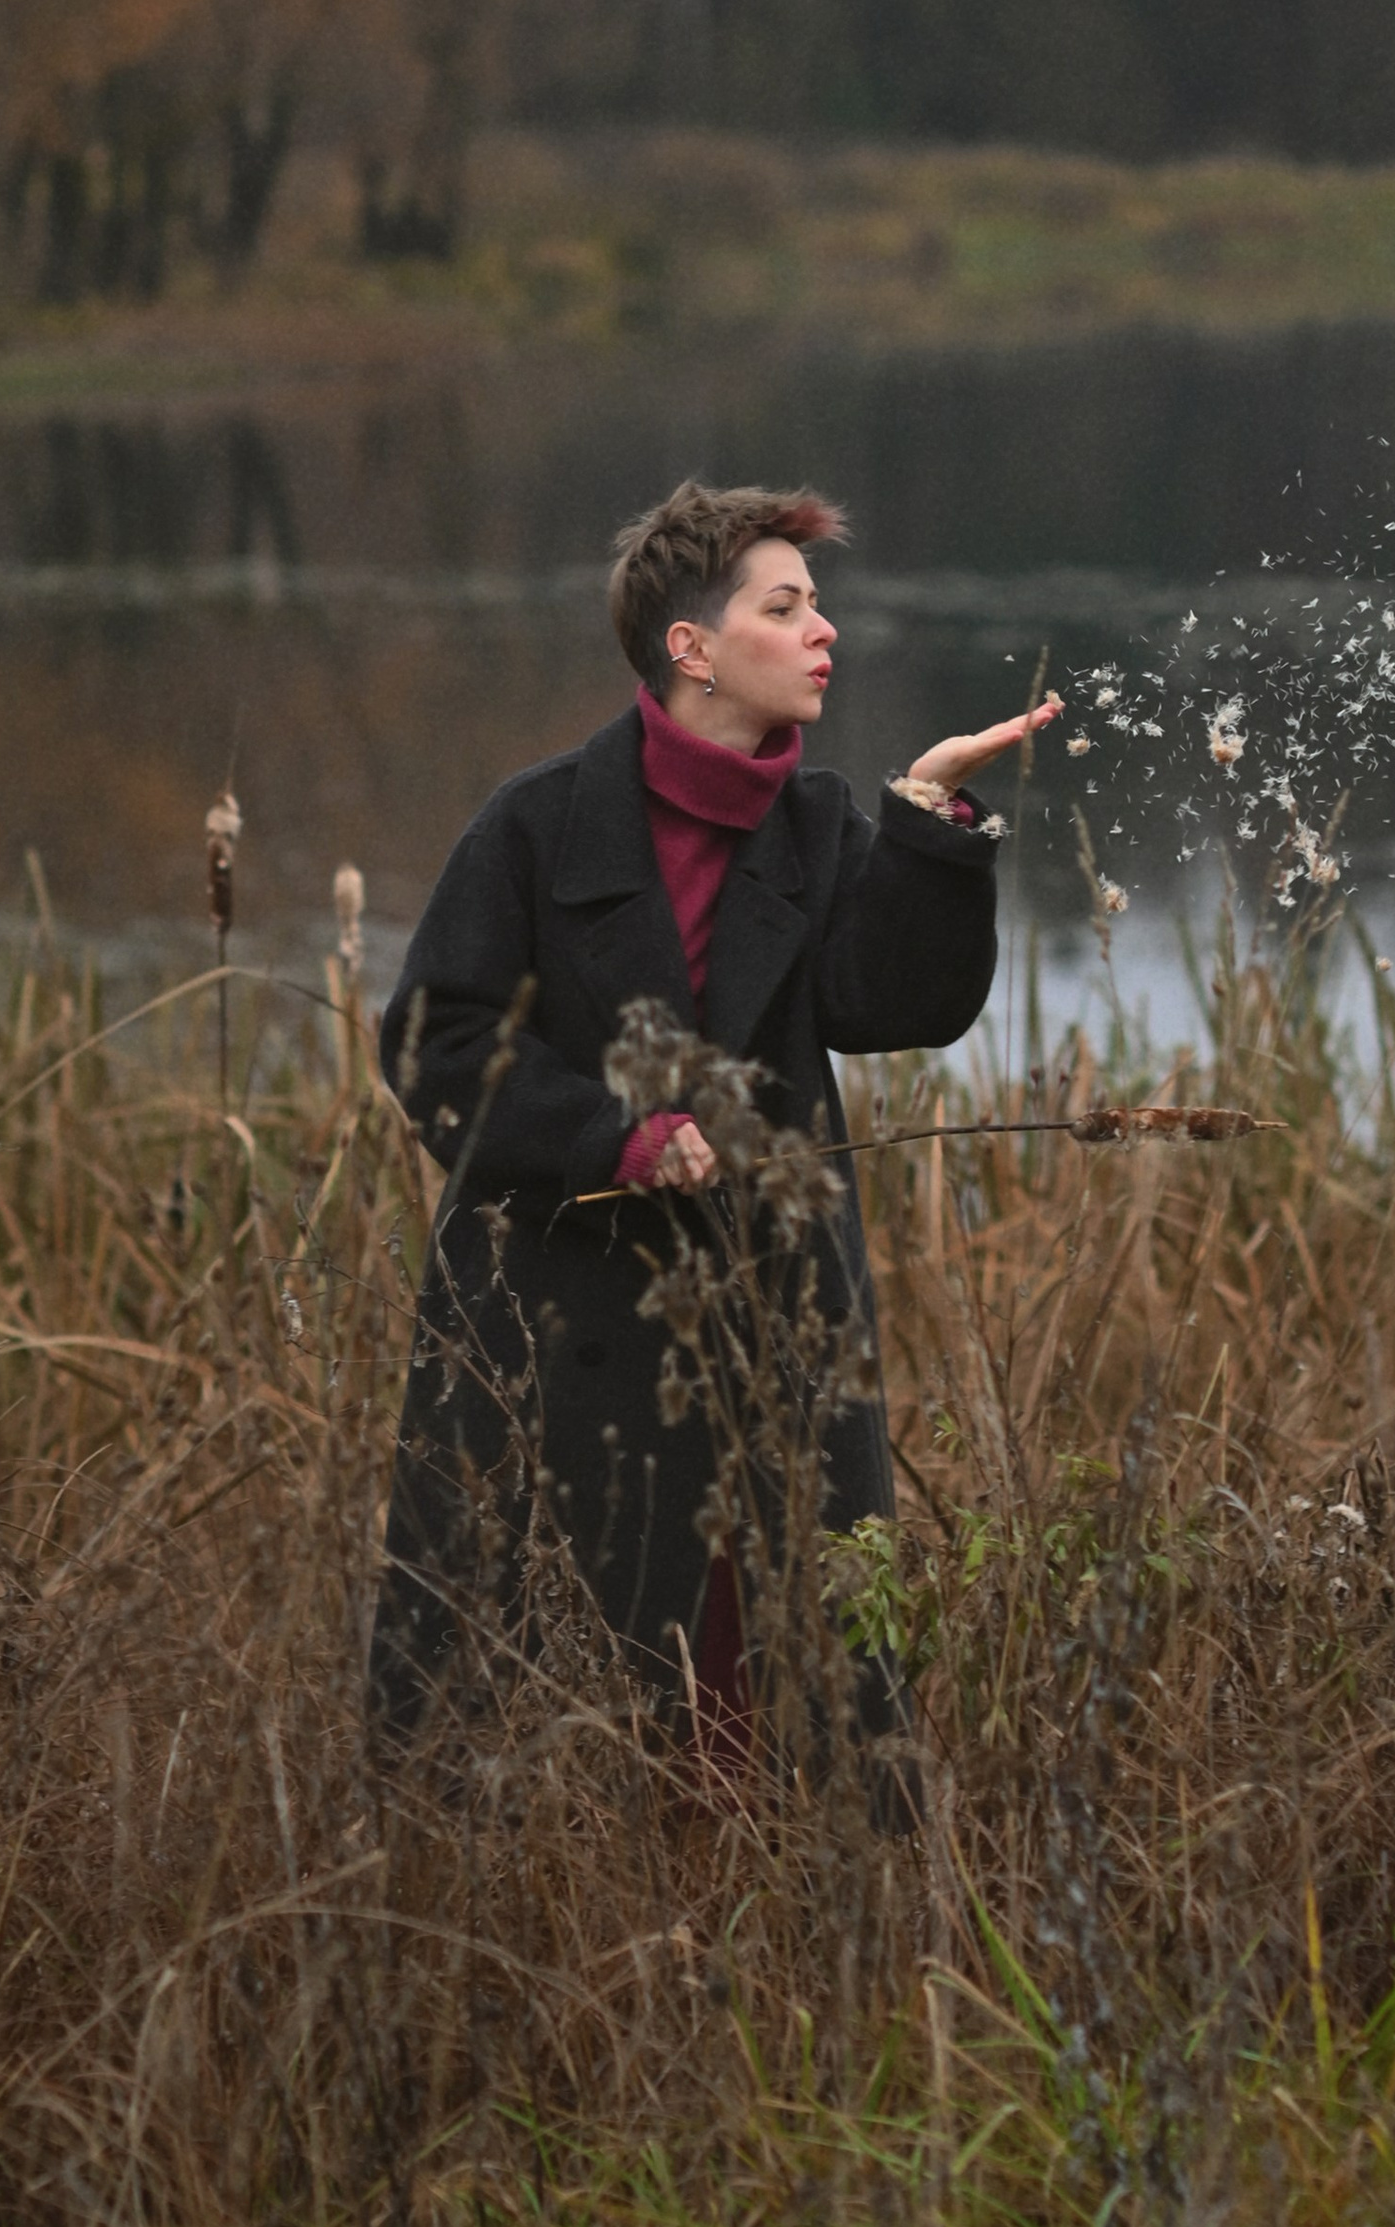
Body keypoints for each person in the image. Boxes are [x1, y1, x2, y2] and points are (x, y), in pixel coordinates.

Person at [369, 477, 1059, 1757]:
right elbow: (433, 1042)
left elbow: (891, 1002)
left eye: (818, 605)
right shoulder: (535, 825)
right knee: (531, 1700)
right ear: (690, 647)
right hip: (550, 1327)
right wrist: (607, 1136)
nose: (823, 631)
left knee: (782, 1699)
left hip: (768, 1326)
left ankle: (783, 1933)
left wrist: (925, 820)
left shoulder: (819, 823)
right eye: (785, 605)